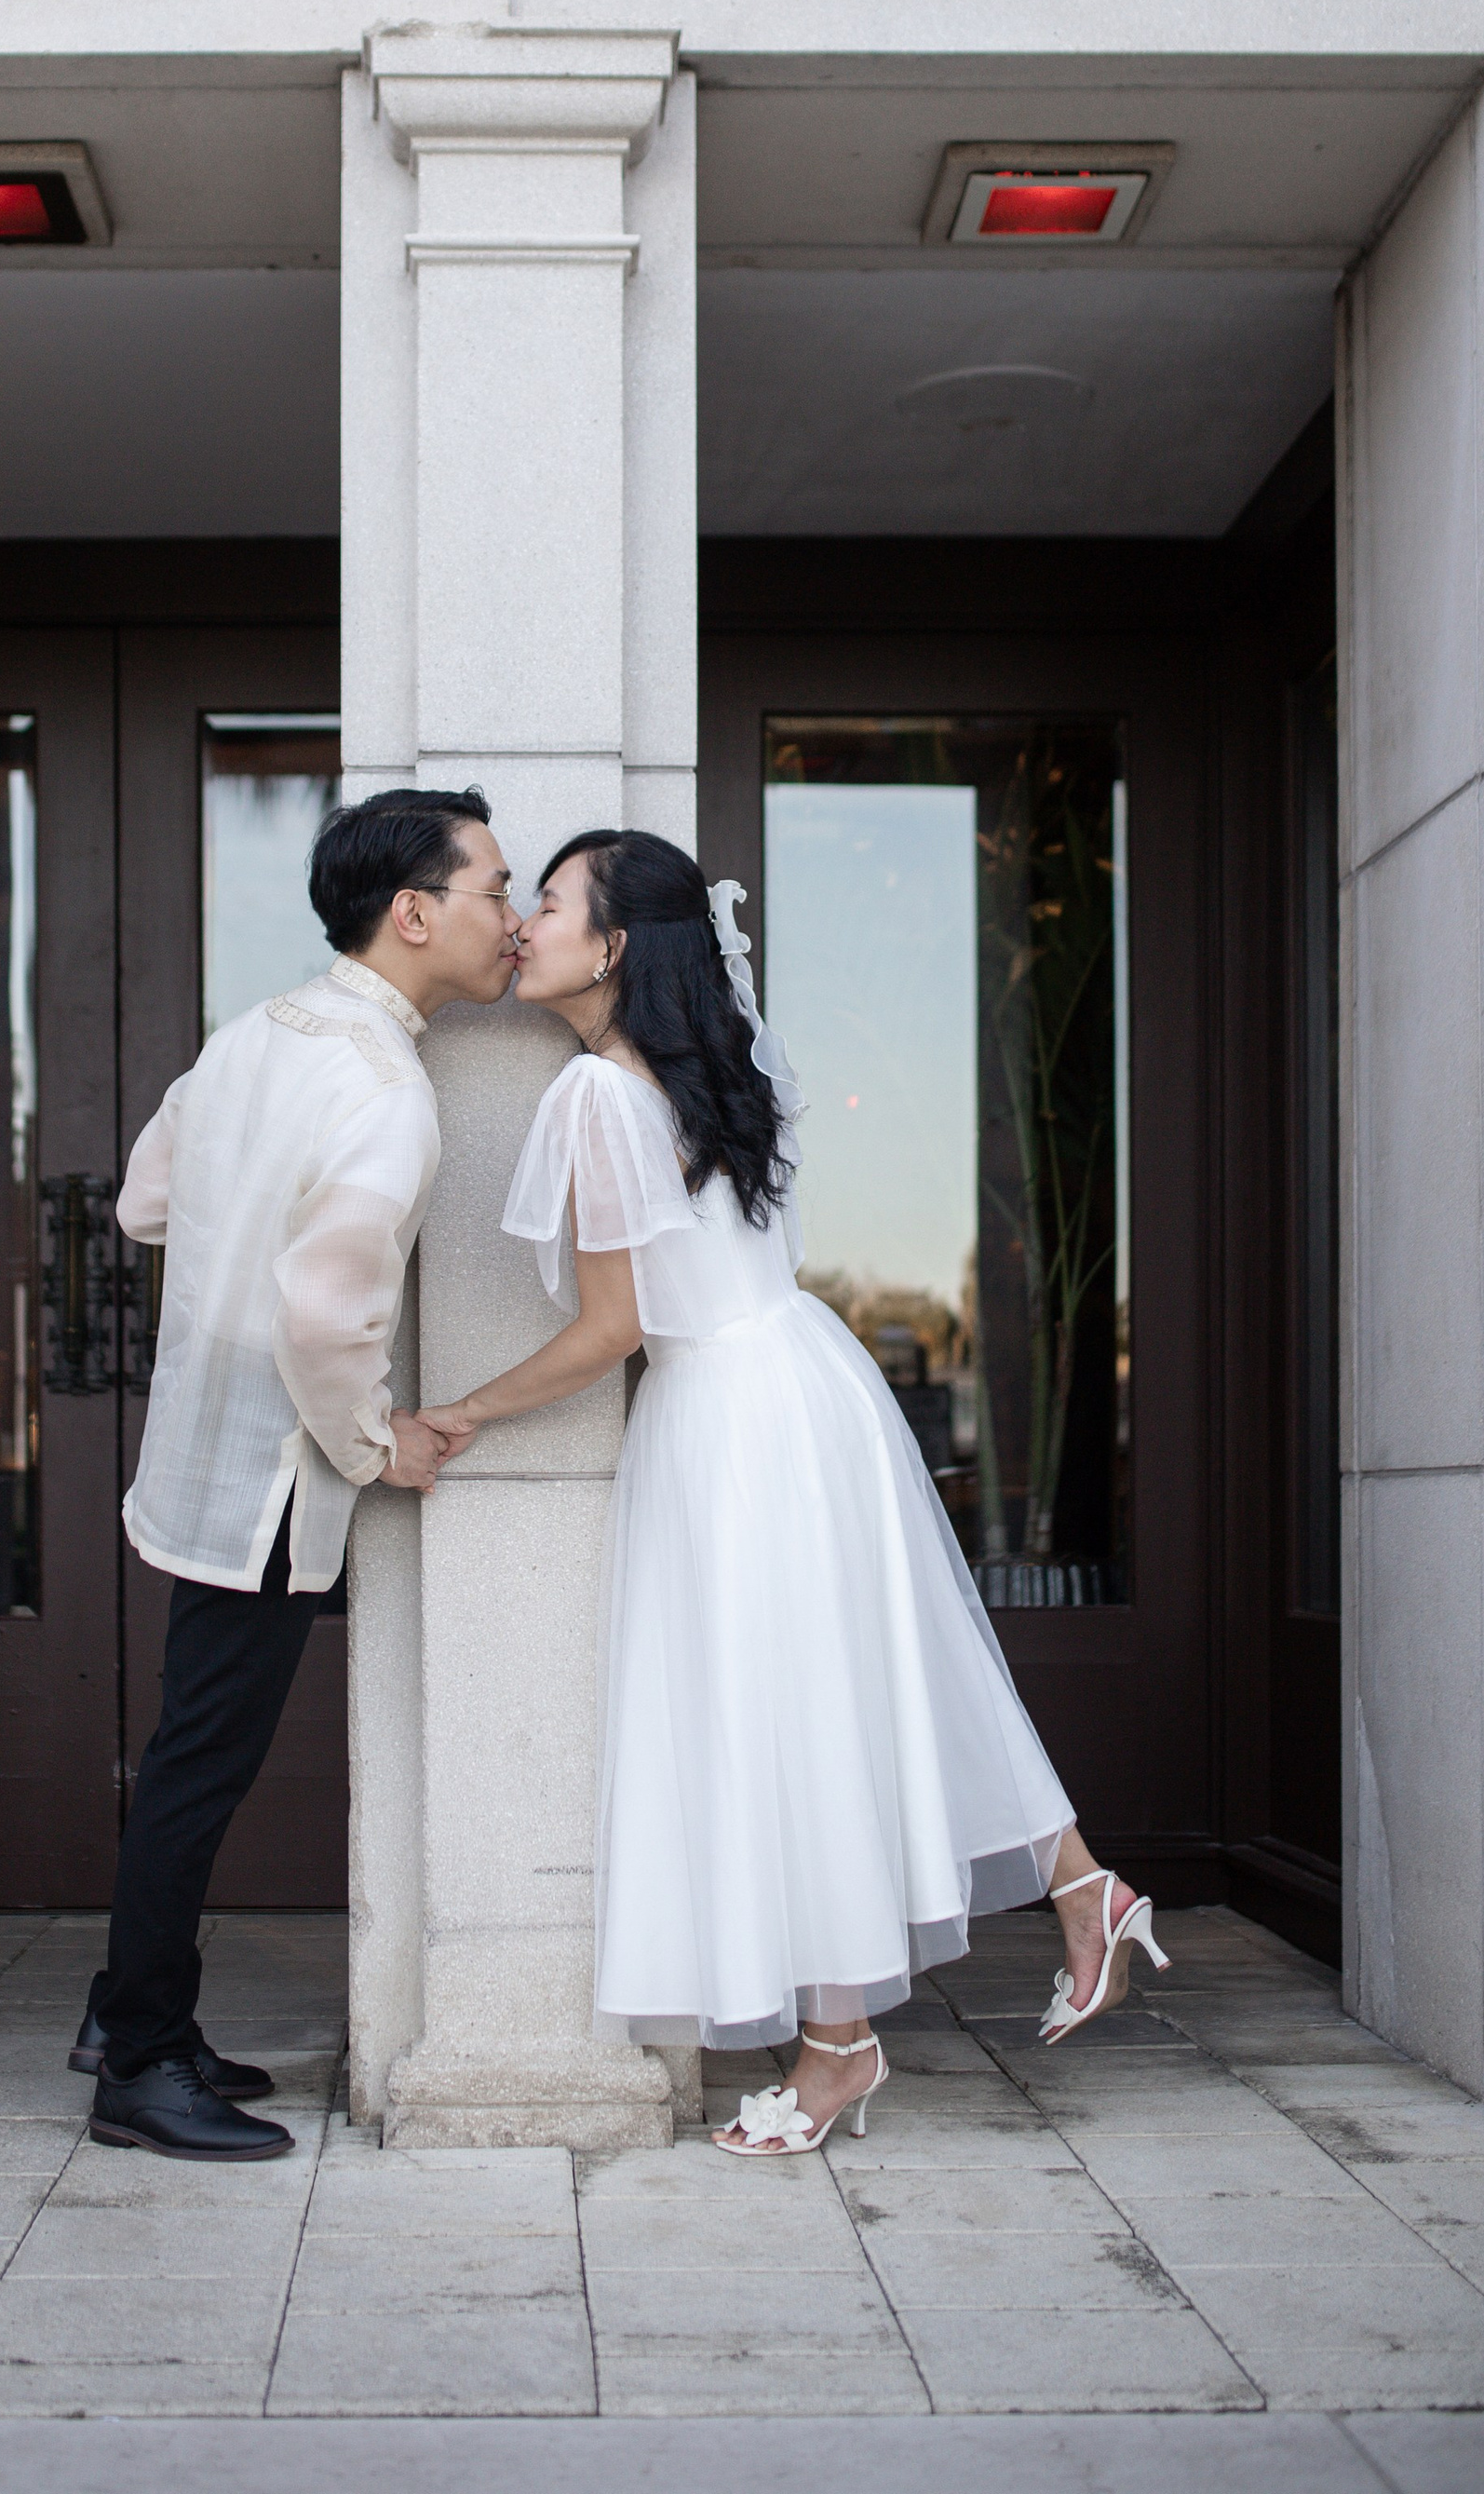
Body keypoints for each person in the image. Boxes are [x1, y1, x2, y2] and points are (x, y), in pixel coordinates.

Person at [426, 827, 1167, 2158]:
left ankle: (847, 2039)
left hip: (728, 1418)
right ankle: (1071, 1889)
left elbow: (611, 1332)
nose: (526, 925)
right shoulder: (718, 1074)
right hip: (811, 1381)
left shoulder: (601, 1096)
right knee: (868, 1685)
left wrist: (467, 1409)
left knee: (794, 1714)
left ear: (615, 945)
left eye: (550, 903)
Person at [70, 787, 515, 2160]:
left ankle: (133, 2015)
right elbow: (327, 1319)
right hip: (268, 1477)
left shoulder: (259, 1031)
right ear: (415, 911)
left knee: (186, 1752)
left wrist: (242, 1207)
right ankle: (137, 2059)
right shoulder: (388, 1088)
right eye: (494, 889)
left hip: (200, 1458)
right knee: (200, 1766)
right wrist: (381, 1441)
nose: (510, 917)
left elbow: (149, 1198)